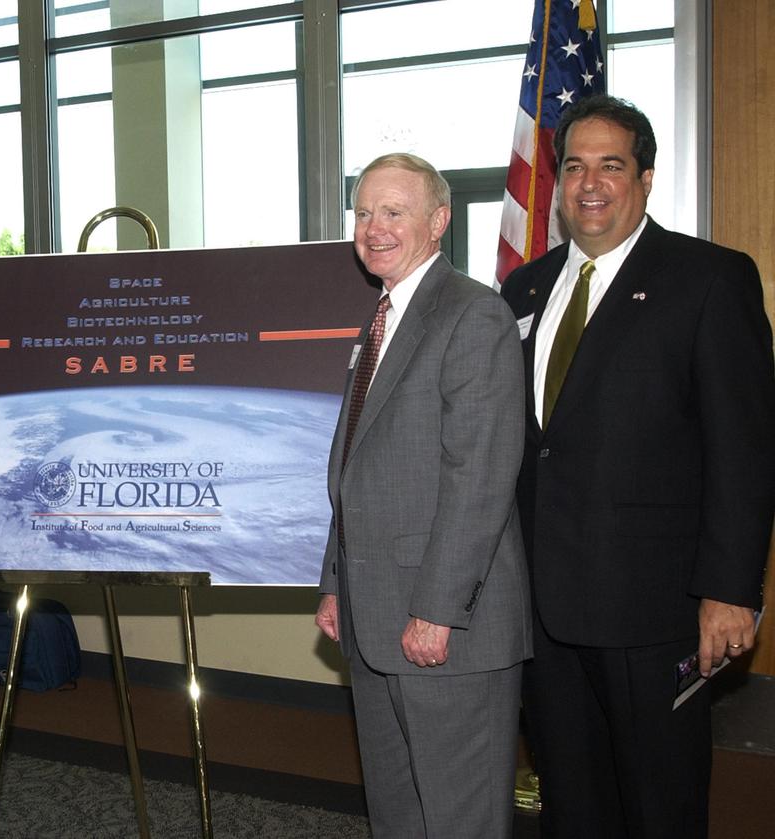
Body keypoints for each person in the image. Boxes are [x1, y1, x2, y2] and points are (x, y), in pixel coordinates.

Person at [501, 94, 775, 838]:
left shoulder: (709, 280)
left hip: (653, 611)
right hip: (542, 609)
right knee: (571, 799)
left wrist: (729, 591)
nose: (591, 184)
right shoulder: (524, 288)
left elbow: (744, 451)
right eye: (576, 167)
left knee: (661, 803)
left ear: (645, 178)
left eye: (611, 166)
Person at [315, 153, 532, 839]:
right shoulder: (382, 317)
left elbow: (480, 477)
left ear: (439, 221)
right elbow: (358, 469)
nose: (374, 228)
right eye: (364, 212)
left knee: (459, 819)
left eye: (394, 211)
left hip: (446, 628)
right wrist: (334, 585)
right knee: (400, 814)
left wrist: (437, 609)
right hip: (374, 618)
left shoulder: (473, 315)